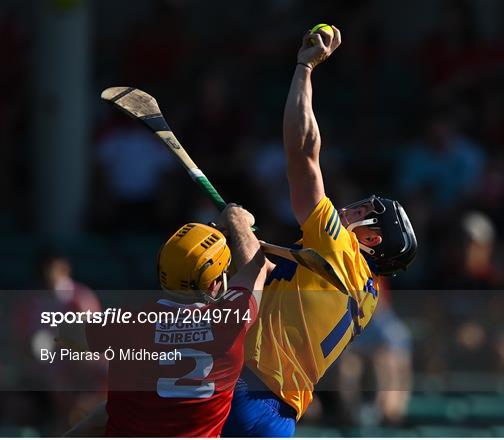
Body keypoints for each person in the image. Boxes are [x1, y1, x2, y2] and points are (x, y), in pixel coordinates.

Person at [222, 27, 417, 437]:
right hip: (280, 417)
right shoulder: (365, 294)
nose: (353, 207)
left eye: (366, 211)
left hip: (244, 393)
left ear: (372, 239)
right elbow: (273, 288)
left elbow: (303, 150)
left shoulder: (338, 246)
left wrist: (304, 69)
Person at [61, 204, 270, 437]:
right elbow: (256, 267)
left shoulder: (122, 324)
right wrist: (237, 218)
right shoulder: (232, 322)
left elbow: (67, 333)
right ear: (213, 283)